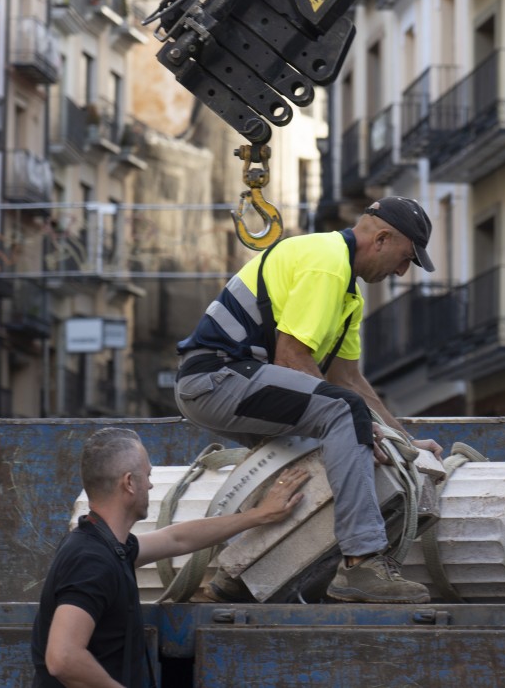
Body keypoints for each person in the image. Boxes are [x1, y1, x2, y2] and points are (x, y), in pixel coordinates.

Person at [174, 196, 442, 605]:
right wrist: (361, 426)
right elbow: (292, 358)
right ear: (383, 238)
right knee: (344, 419)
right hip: (215, 380)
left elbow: (348, 379)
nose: (402, 271)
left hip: (235, 384)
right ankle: (361, 564)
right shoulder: (327, 261)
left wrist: (400, 439)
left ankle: (238, 575)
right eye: (406, 258)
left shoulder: (348, 294)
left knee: (335, 445)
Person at [31, 426, 309, 687]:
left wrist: (259, 515)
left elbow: (176, 538)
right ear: (129, 483)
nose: (151, 486)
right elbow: (63, 657)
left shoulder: (107, 547)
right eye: (147, 476)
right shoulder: (91, 560)